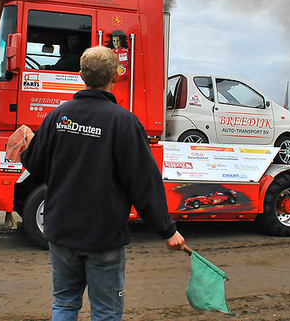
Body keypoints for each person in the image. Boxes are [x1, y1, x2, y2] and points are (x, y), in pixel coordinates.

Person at [21, 45, 185, 321]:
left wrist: (28, 147)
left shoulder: (57, 116)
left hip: (61, 232)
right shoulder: (124, 122)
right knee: (106, 313)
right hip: (103, 237)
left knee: (64, 304)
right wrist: (167, 230)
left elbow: (34, 165)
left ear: (81, 75)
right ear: (115, 77)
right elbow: (143, 183)